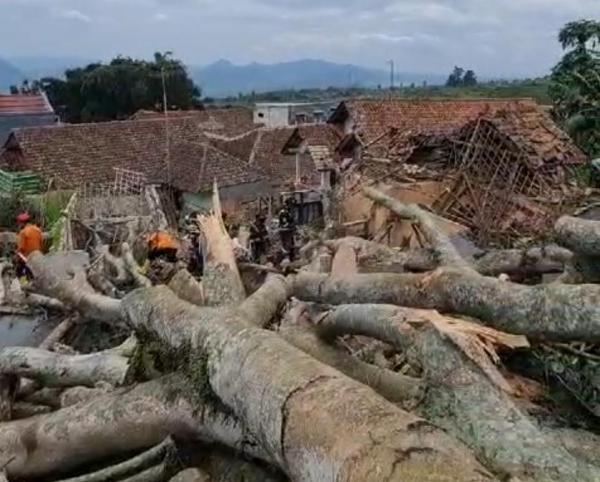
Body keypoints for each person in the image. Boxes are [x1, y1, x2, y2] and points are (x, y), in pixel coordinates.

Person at [15, 212, 43, 280]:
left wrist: (16, 255)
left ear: (22, 223)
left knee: (18, 265)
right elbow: (41, 244)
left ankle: (19, 280)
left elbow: (21, 248)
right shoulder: (38, 230)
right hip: (39, 255)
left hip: (28, 258)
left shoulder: (23, 232)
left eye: (19, 223)